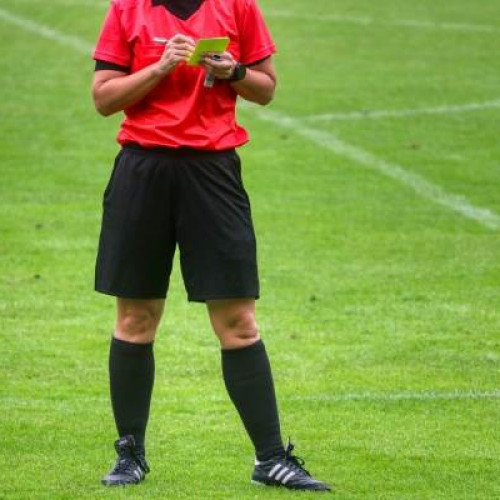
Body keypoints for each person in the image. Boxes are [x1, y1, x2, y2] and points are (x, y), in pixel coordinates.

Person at [91, 0, 330, 492]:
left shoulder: (237, 7)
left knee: (238, 321)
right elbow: (104, 98)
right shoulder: (128, 9)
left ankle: (271, 459)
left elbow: (265, 89)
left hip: (213, 173)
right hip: (142, 172)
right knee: (135, 320)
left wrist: (233, 71)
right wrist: (161, 67)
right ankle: (130, 455)